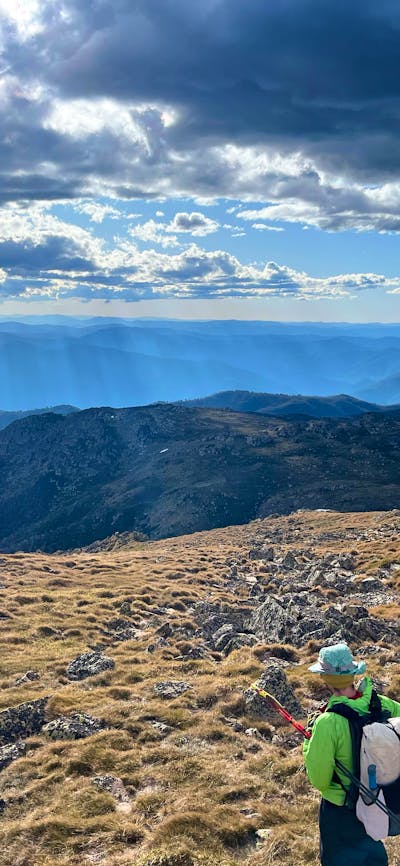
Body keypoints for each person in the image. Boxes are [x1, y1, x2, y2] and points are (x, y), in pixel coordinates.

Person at [303, 642, 400, 866]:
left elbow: (319, 779)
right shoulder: (381, 703)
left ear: (326, 679)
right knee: (372, 856)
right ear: (353, 674)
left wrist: (310, 743)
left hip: (341, 809)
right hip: (379, 799)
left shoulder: (327, 722)